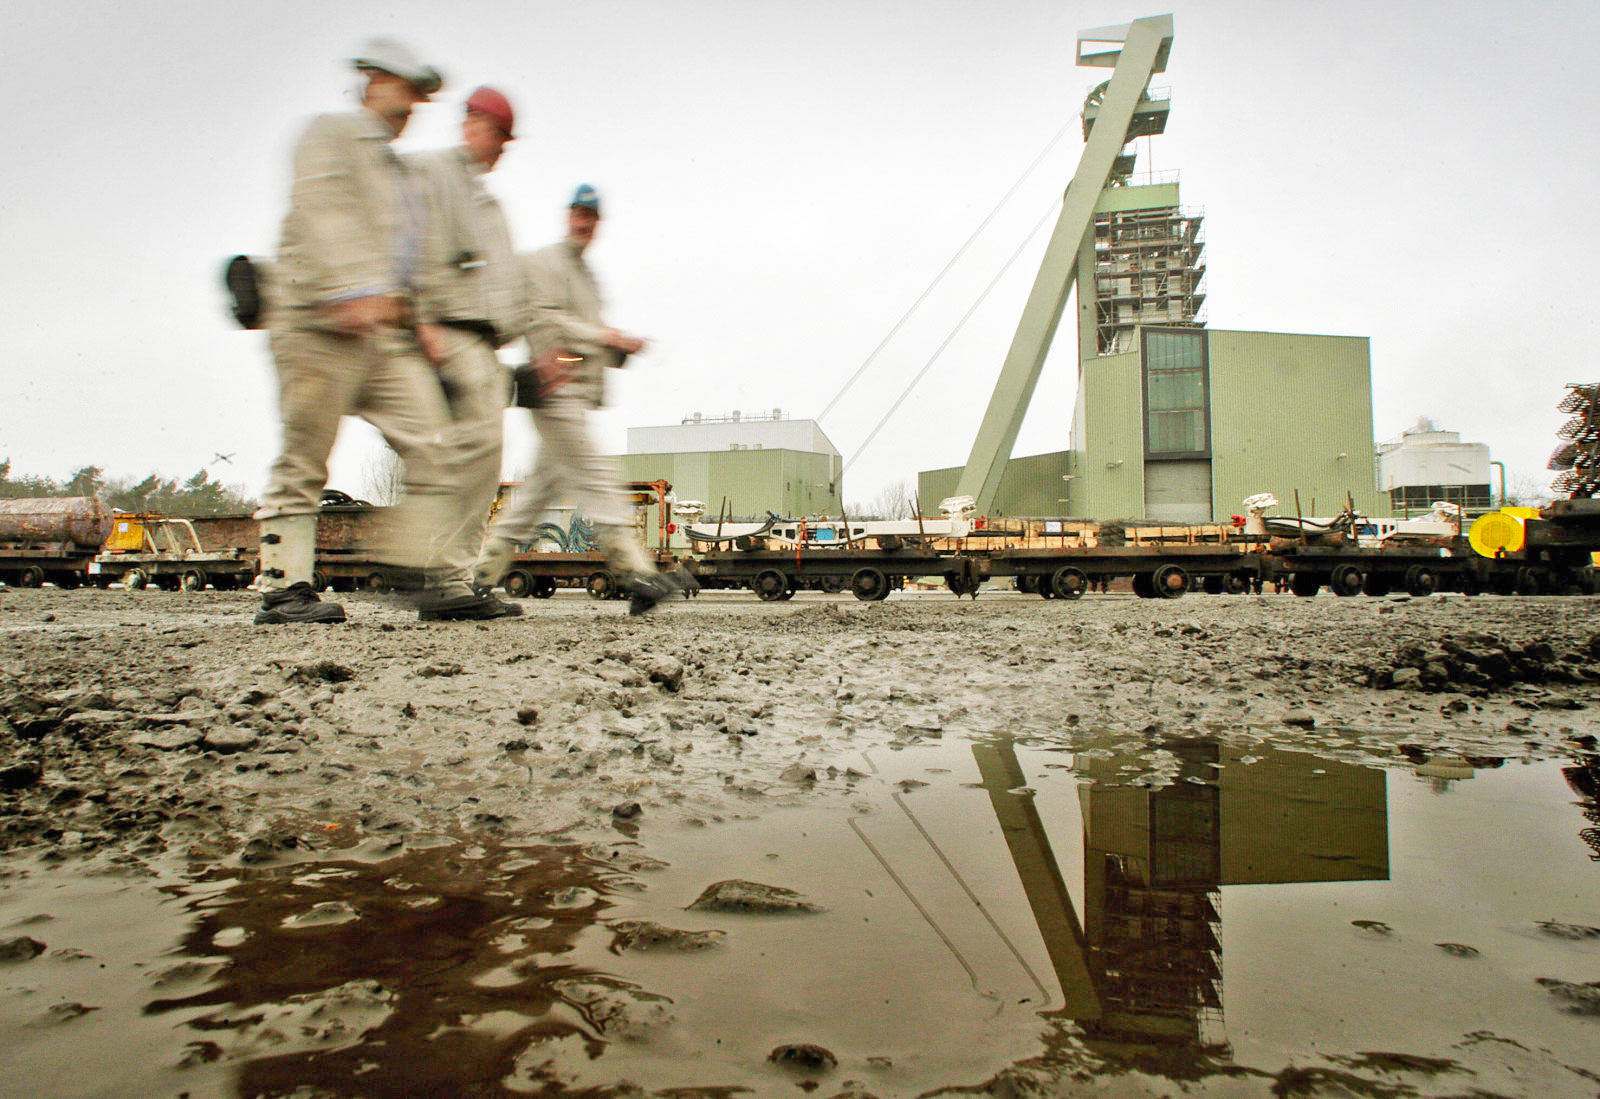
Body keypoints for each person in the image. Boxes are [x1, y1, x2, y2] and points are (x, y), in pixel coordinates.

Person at [254, 37, 459, 624]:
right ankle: (282, 589)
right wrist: (350, 292)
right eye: (406, 90)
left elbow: (403, 259)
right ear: (371, 79)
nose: (412, 106)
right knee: (305, 457)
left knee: (435, 443)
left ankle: (419, 567)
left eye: (420, 97)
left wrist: (421, 325)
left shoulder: (397, 170)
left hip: (382, 336)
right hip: (316, 323)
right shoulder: (330, 134)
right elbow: (323, 211)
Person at [474, 185, 678, 614]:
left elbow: (582, 337)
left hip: (575, 392)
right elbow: (548, 319)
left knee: (535, 495)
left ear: (597, 222)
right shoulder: (549, 263)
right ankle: (636, 572)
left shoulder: (586, 277)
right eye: (579, 213)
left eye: (591, 216)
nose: (584, 222)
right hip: (555, 389)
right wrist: (605, 336)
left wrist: (616, 349)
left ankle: (479, 577)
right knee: (597, 474)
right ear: (568, 215)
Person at [403, 86, 524, 620]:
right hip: (444, 327)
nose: (501, 148)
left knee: (481, 462)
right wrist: (419, 318)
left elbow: (504, 283)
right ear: (473, 124)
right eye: (497, 134)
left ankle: (454, 577)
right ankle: (440, 577)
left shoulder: (489, 203)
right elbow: (401, 243)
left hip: (485, 343)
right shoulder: (431, 173)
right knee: (461, 456)